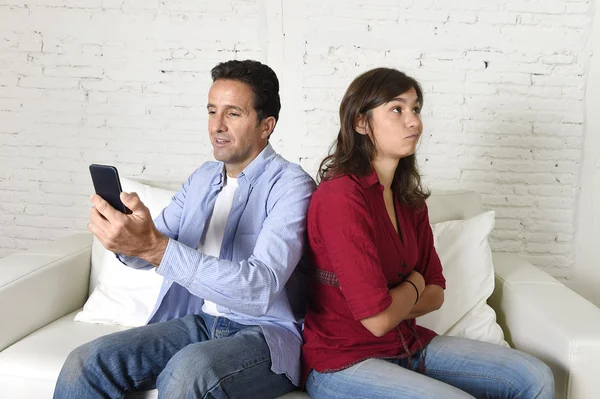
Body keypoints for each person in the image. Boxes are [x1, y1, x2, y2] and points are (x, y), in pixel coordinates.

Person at [54, 60, 316, 399]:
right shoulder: (203, 179)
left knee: (187, 371)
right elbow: (146, 251)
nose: (217, 126)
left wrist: (153, 247)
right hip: (202, 322)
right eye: (211, 112)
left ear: (266, 126)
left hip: (268, 335)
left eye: (233, 114)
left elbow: (259, 289)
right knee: (86, 361)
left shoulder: (292, 186)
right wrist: (127, 238)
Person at [301, 67, 555, 399]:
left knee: (534, 376)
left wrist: (400, 299)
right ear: (361, 123)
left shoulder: (410, 200)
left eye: (416, 109)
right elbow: (377, 321)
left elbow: (436, 292)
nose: (414, 122)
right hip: (344, 360)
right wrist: (414, 283)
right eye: (397, 109)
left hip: (409, 345)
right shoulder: (341, 197)